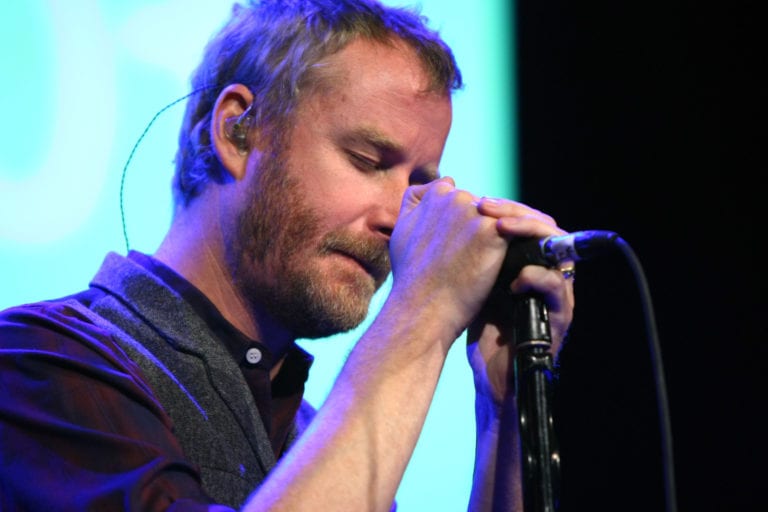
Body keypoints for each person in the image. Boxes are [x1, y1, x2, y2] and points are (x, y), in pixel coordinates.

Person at [0, 0, 575, 510]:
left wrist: (506, 406)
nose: (397, 219)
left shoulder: (307, 436)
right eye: (366, 161)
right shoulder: (34, 366)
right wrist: (425, 312)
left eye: (418, 187)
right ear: (237, 131)